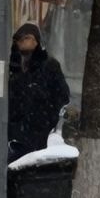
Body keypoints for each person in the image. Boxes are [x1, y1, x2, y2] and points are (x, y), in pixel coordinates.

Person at [8, 23, 69, 162]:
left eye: (27, 37)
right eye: (20, 39)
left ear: (36, 41)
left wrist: (47, 117)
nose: (23, 42)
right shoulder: (11, 67)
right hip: (14, 132)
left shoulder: (49, 66)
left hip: (39, 131)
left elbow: (62, 95)